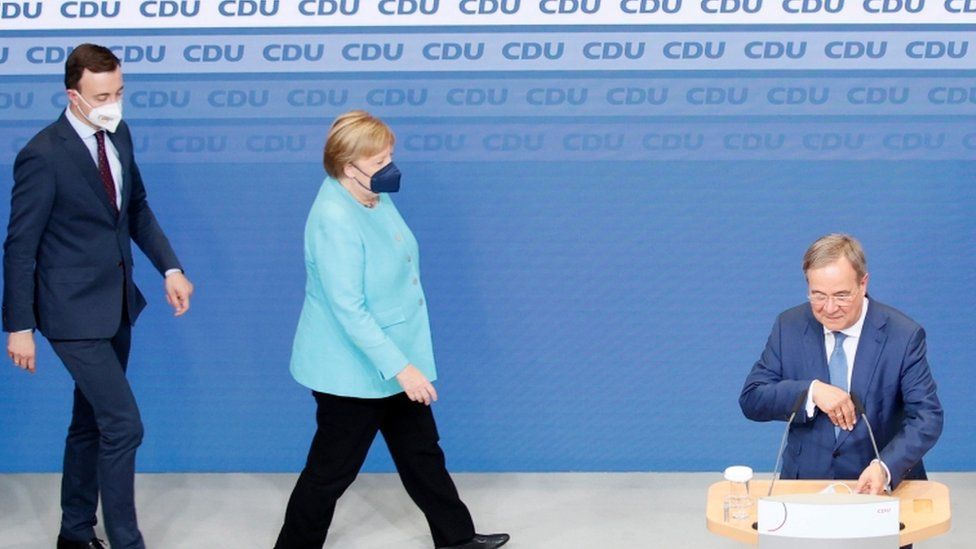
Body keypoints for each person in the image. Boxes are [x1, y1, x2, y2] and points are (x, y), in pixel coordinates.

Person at [274, 111, 509, 549]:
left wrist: (404, 364)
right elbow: (349, 308)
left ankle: (456, 539)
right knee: (330, 471)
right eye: (380, 160)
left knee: (422, 453)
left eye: (390, 156)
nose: (390, 167)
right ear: (349, 167)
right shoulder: (334, 218)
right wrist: (403, 369)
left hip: (394, 356)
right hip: (351, 370)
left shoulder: (372, 196)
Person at [3, 44, 194, 549]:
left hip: (116, 307)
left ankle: (74, 531)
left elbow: (136, 210)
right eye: (102, 95)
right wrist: (18, 325)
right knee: (122, 425)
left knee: (89, 423)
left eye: (120, 92)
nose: (114, 103)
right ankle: (127, 541)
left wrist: (169, 268)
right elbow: (20, 247)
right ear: (74, 95)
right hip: (69, 314)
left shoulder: (120, 134)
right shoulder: (42, 155)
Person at [740, 233, 943, 496]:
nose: (830, 307)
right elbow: (752, 398)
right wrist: (811, 392)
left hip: (878, 487)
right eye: (818, 295)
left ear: (863, 283)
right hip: (805, 488)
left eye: (842, 295)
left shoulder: (903, 336)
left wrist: (884, 467)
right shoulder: (788, 326)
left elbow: (927, 418)